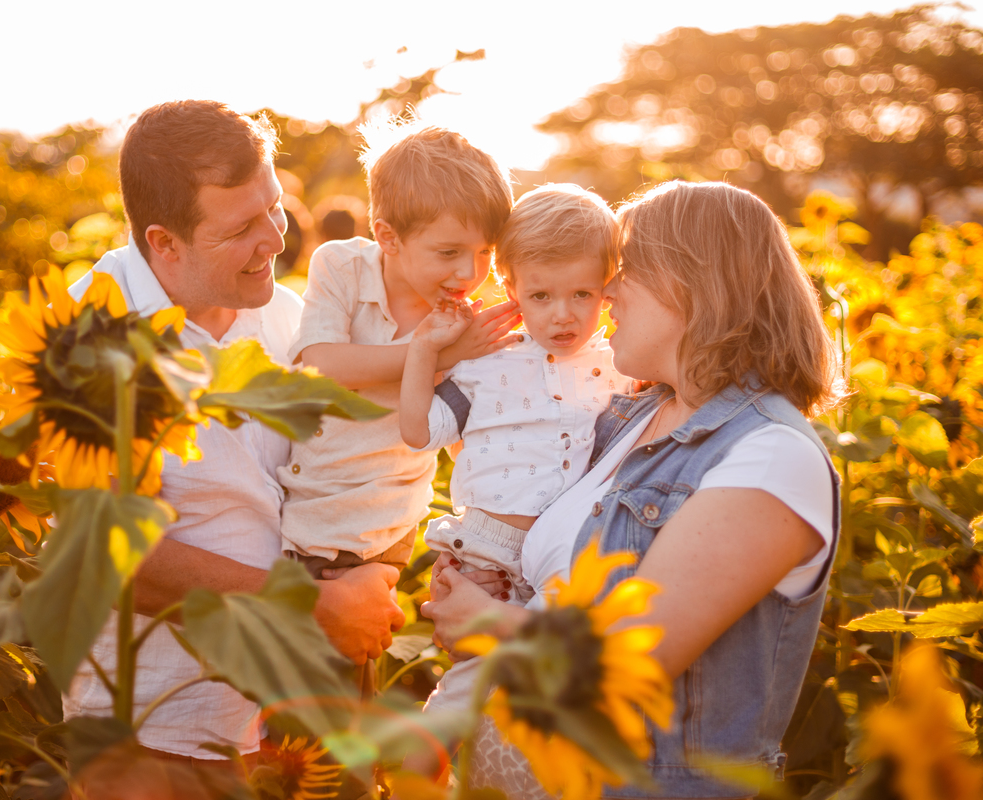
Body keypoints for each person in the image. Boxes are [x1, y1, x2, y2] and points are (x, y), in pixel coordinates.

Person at [422, 180, 841, 799]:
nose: (609, 289)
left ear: (692, 286)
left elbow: (633, 657)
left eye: (630, 268)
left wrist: (490, 621)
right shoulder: (631, 416)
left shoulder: (770, 455)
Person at [62, 100, 405, 768]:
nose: (278, 238)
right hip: (154, 727)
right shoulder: (86, 338)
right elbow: (112, 560)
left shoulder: (284, 314)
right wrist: (312, 606)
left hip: (283, 716)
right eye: (245, 226)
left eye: (275, 206)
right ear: (164, 242)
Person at [399, 185, 625, 721]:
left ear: (608, 288)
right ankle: (419, 767)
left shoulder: (620, 366)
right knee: (470, 685)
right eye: (541, 296)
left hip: (572, 553)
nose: (562, 316)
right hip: (492, 548)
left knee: (551, 693)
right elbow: (419, 430)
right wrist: (424, 350)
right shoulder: (486, 363)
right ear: (511, 287)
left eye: (583, 295)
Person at [275, 123, 520, 578]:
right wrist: (436, 355)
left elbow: (466, 437)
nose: (469, 271)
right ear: (388, 237)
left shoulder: (466, 323)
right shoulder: (342, 265)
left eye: (485, 252)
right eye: (448, 252)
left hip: (382, 527)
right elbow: (321, 365)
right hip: (301, 509)